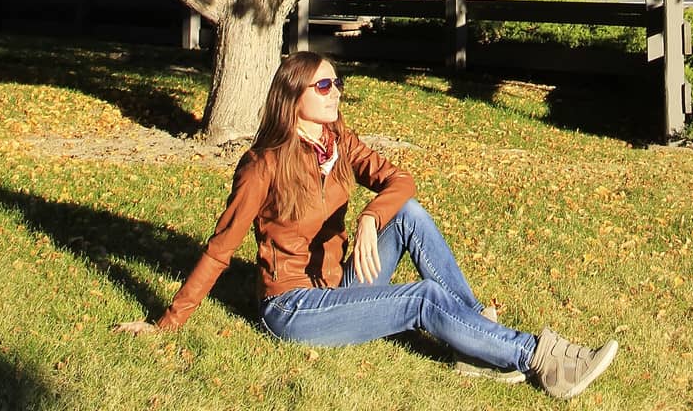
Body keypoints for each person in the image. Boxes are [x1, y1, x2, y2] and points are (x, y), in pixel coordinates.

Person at [115, 52, 618, 400]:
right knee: (420, 298)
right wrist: (168, 322)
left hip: (342, 284)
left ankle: (473, 343)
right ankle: (540, 358)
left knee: (410, 215)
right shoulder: (262, 165)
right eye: (325, 85)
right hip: (294, 307)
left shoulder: (337, 140)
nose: (336, 93)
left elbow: (400, 181)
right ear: (295, 96)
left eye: (337, 83)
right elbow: (220, 248)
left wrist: (371, 217)